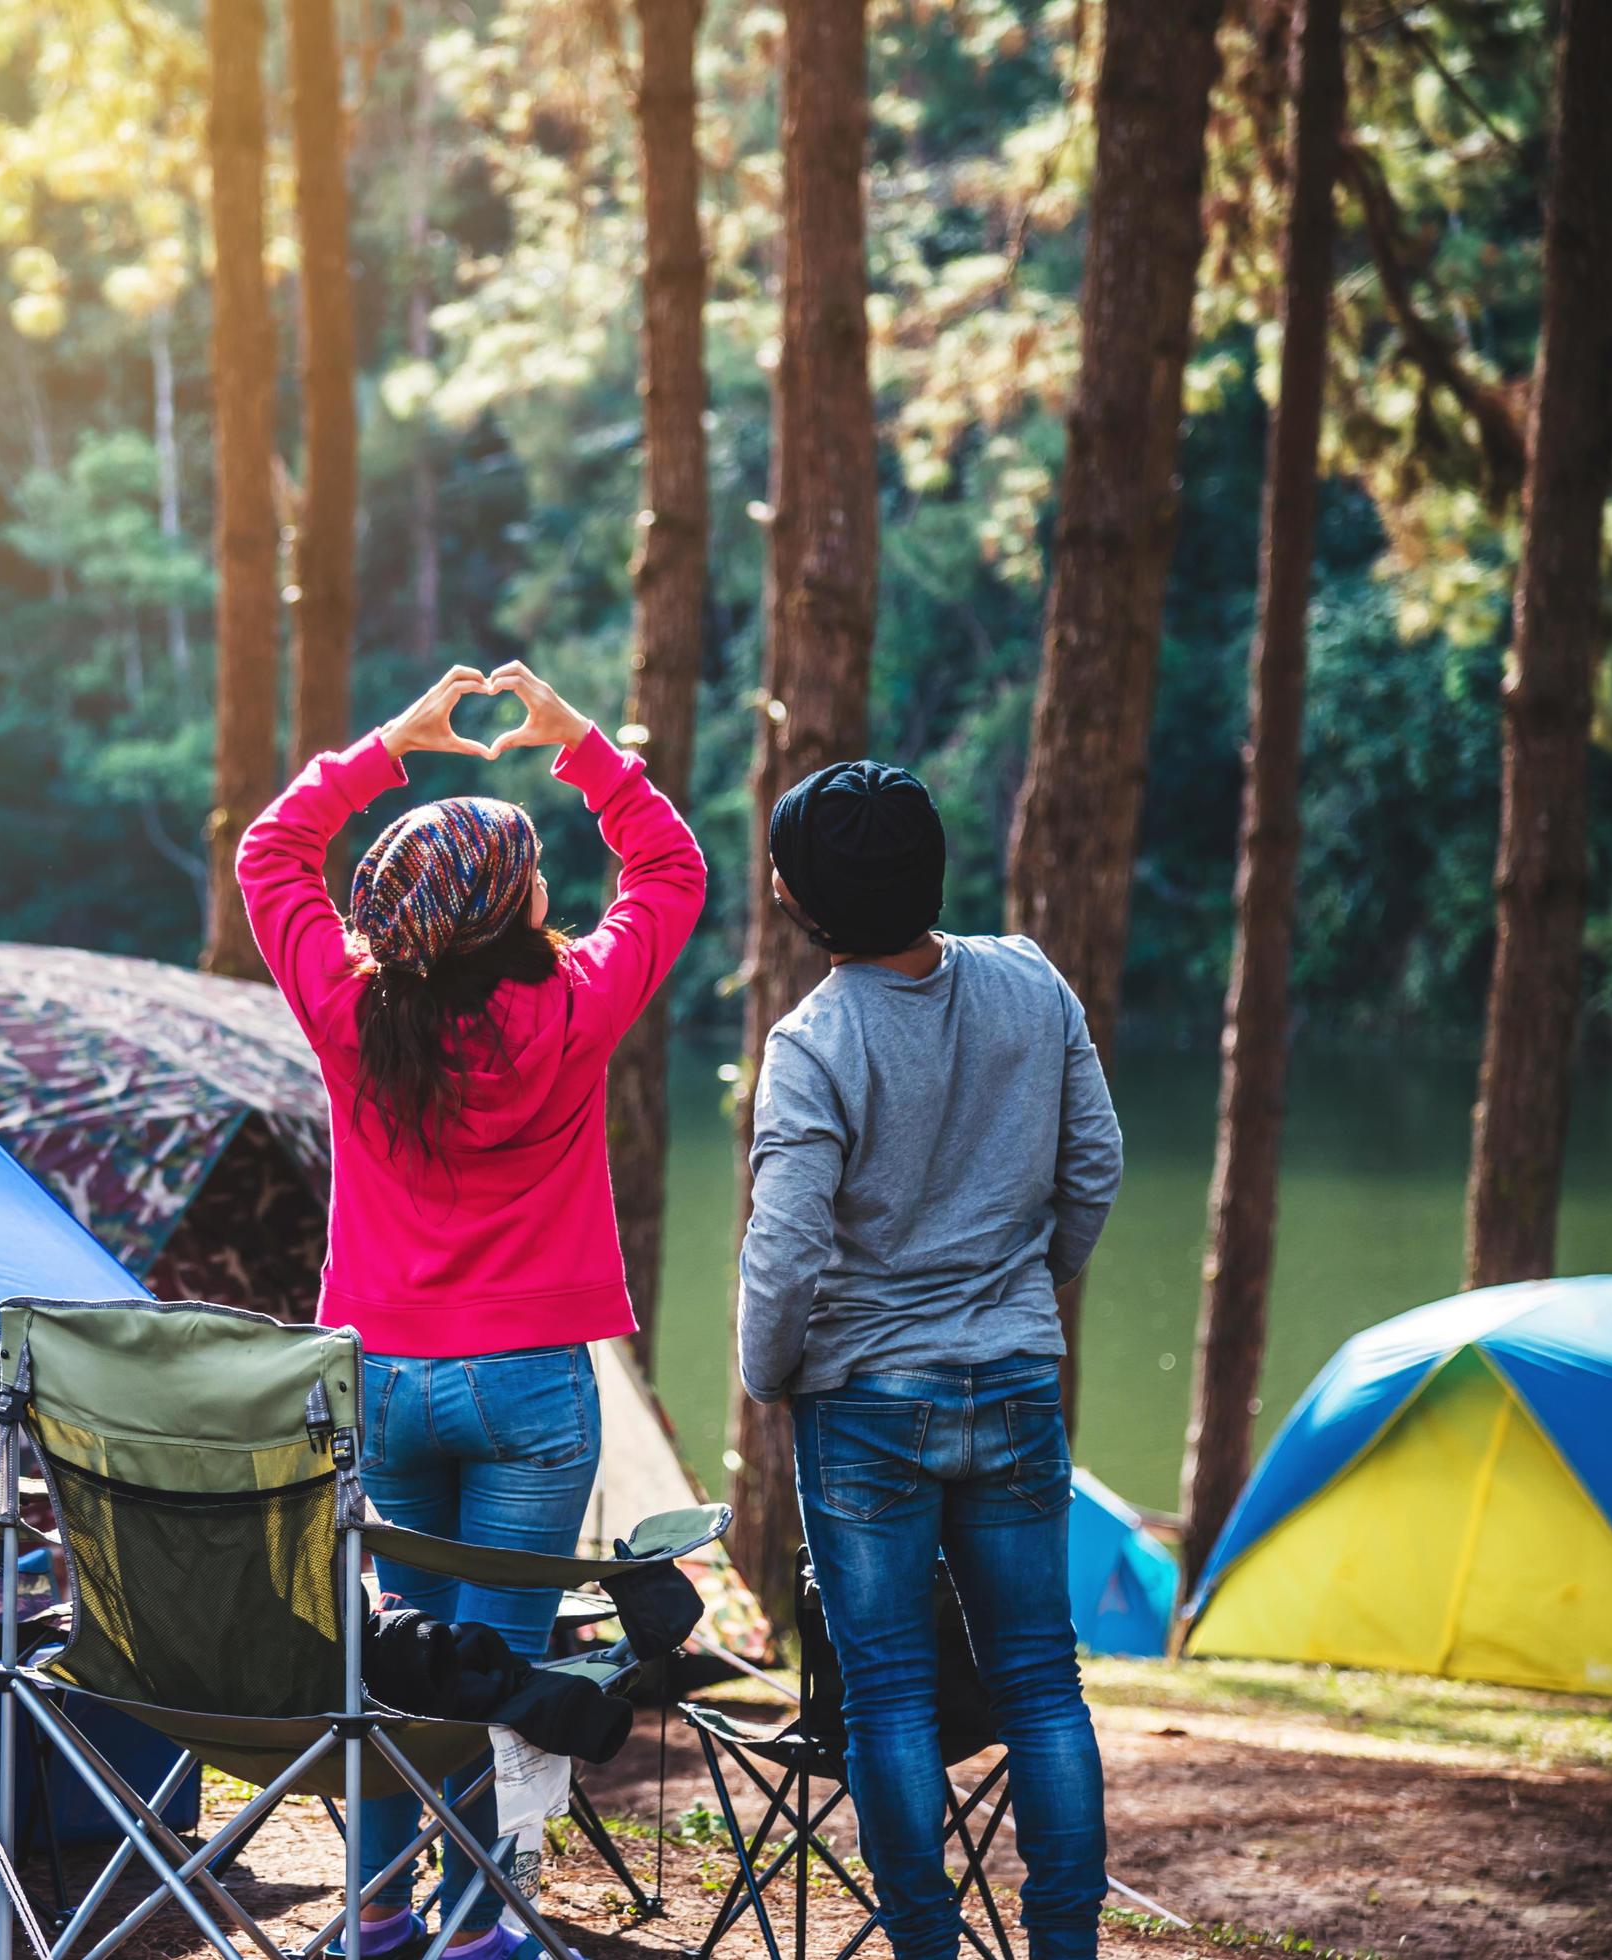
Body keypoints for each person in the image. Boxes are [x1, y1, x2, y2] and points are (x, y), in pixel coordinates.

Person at [238, 661, 707, 1960]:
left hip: (383, 1375)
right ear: (512, 912)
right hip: (529, 1394)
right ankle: (483, 1927)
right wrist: (583, 751)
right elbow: (673, 876)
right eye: (532, 873)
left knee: (407, 1662)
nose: (550, 886)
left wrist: (389, 745)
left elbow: (272, 852)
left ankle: (376, 1916)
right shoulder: (570, 1011)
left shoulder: (349, 1008)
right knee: (501, 1679)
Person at [736, 760, 1123, 1960]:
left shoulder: (810, 1043)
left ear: (797, 897)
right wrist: (1017, 1292)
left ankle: (925, 1945)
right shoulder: (1029, 980)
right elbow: (1093, 1166)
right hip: (1012, 1382)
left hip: (861, 1406)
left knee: (890, 1694)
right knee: (1040, 1683)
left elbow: (786, 1250)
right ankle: (1063, 1942)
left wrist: (766, 1372)